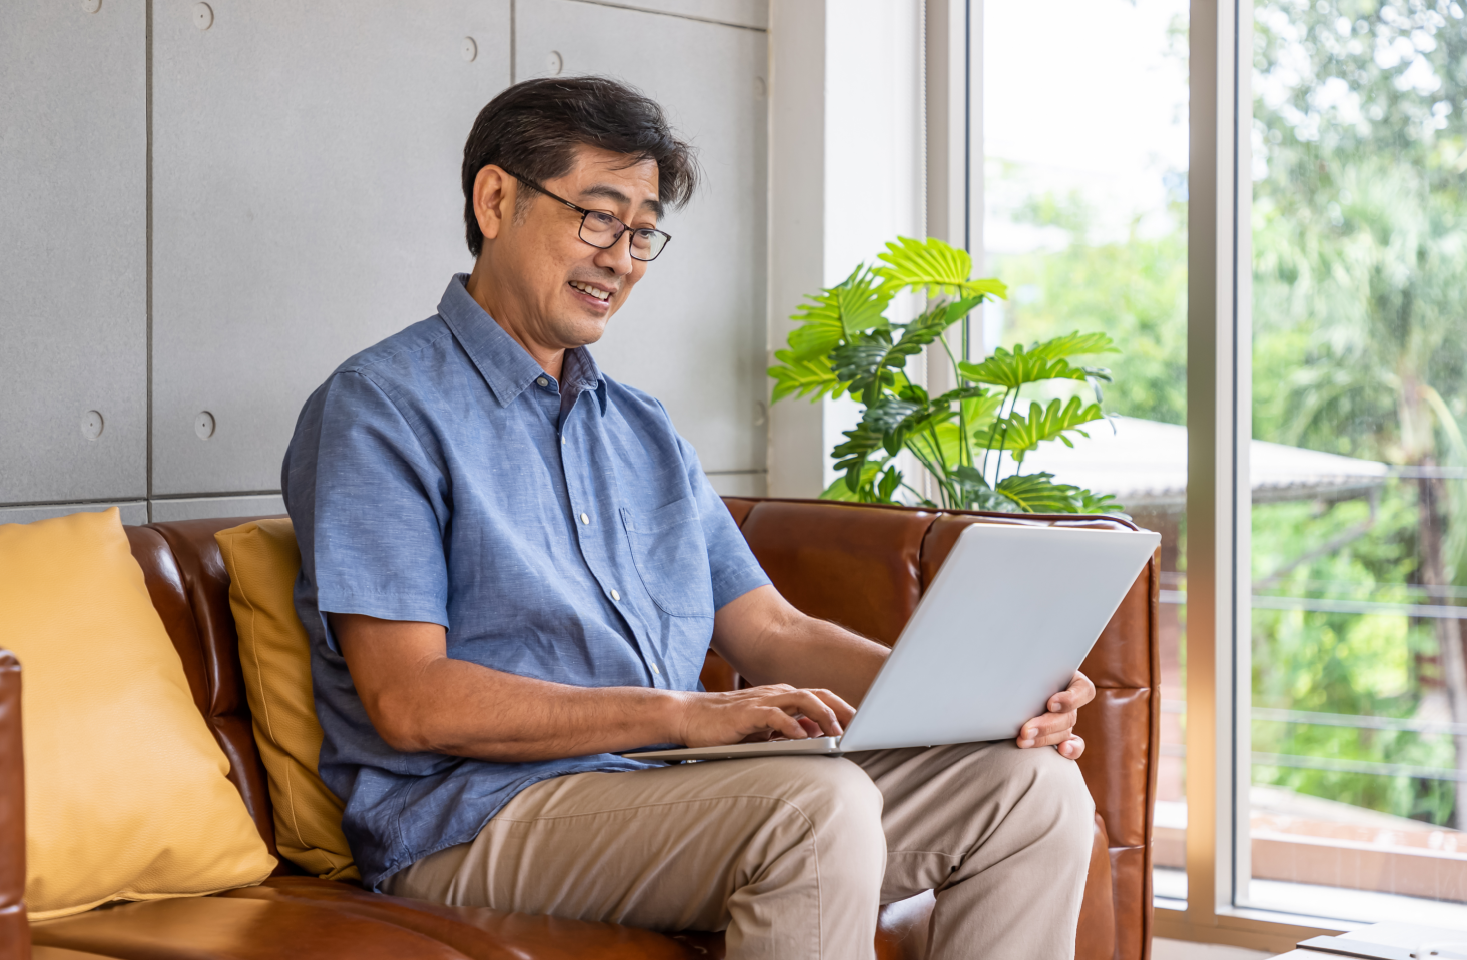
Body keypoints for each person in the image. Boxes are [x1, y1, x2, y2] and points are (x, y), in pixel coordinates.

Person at [282, 76, 1097, 960]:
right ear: (495, 199)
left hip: (668, 788)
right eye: (598, 217)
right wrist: (683, 714)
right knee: (816, 809)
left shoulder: (639, 428)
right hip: (472, 819)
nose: (622, 259)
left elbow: (771, 628)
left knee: (1031, 786)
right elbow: (411, 701)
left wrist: (980, 699)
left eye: (641, 232)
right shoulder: (381, 408)